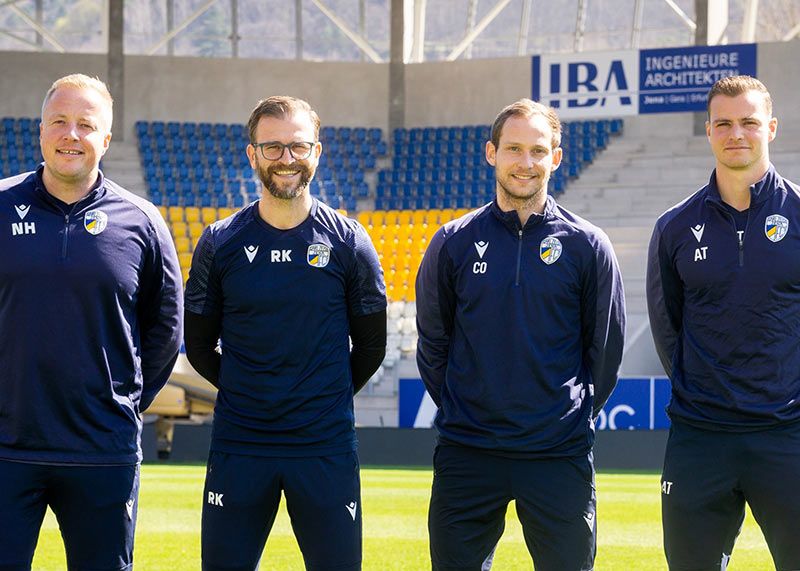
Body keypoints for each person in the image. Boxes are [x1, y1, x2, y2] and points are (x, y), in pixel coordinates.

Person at [415, 98, 626, 571]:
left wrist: (567, 416)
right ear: (492, 153)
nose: (525, 163)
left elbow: (605, 352)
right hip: (468, 450)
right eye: (513, 149)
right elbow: (433, 343)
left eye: (537, 150)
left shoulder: (588, 244)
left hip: (556, 453)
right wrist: (464, 407)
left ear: (555, 157)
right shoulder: (453, 241)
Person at [184, 96, 387, 571]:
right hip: (241, 442)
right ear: (252, 155)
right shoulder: (219, 242)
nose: (286, 159)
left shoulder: (349, 242)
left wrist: (322, 395)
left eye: (298, 146)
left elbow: (372, 348)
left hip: (324, 444)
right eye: (272, 148)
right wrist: (247, 391)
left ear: (317, 152)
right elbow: (197, 344)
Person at [0, 74, 182, 570]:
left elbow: (164, 330)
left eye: (86, 124)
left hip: (104, 451)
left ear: (105, 138)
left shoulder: (142, 221)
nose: (71, 135)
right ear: (40, 131)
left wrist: (122, 401)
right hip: (7, 449)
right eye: (60, 121)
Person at [647, 75, 800, 570]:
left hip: (789, 434)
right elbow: (668, 328)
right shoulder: (673, 226)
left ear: (771, 128)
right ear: (709, 131)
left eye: (749, 122)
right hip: (701, 439)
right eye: (724, 123)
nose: (737, 133)